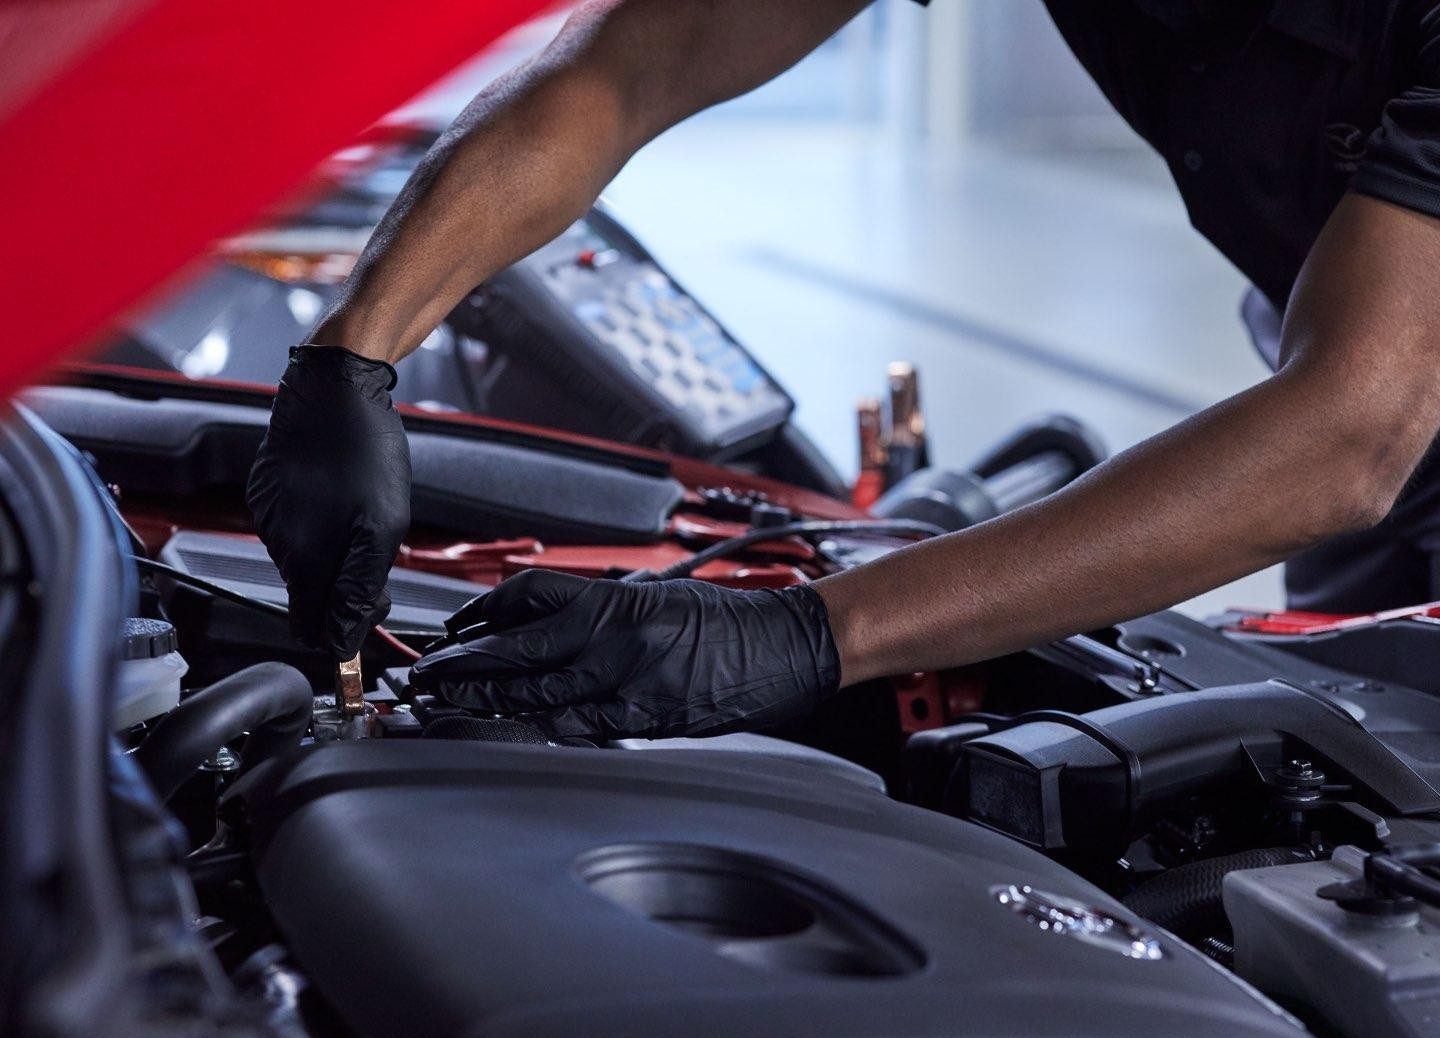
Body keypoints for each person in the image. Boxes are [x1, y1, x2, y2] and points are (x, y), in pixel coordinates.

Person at [248, 0, 1440, 739]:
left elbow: (1350, 430)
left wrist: (811, 637)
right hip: (1372, 382)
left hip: (1373, 398)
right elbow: (627, 69)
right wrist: (354, 351)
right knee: (1350, 735)